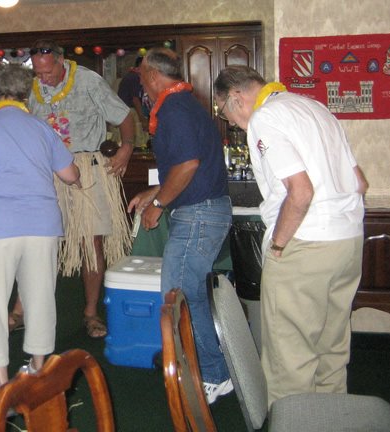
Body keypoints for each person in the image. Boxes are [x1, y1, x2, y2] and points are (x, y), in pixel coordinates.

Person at [213, 66, 369, 407]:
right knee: (331, 347)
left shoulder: (265, 117)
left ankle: (293, 421)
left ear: (235, 97)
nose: (231, 121)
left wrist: (279, 245)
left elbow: (301, 192)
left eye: (224, 112)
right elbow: (359, 182)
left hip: (305, 243)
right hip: (348, 240)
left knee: (289, 356)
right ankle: (330, 420)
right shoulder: (316, 108)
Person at [0, 63, 81, 409]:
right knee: (40, 300)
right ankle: (37, 373)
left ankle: (3, 387)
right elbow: (70, 175)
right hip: (42, 225)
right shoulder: (42, 127)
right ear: (26, 94)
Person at [127, 47, 233, 404]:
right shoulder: (183, 103)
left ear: (153, 76)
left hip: (199, 214)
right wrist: (153, 192)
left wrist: (158, 204)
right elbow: (185, 167)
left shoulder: (174, 108)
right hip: (202, 211)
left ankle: (214, 374)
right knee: (186, 294)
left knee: (180, 296)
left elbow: (187, 166)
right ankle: (210, 368)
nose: (140, 84)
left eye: (141, 77)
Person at [8, 39, 135, 339]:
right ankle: (20, 310)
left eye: (48, 72)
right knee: (38, 242)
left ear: (61, 61)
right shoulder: (31, 88)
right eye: (38, 72)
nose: (43, 78)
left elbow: (124, 116)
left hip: (87, 168)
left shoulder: (89, 81)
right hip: (46, 172)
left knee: (92, 243)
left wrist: (127, 148)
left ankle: (91, 313)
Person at [117, 56, 149, 149]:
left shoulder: (132, 76)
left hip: (128, 111)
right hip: (130, 111)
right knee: (138, 142)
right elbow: (135, 99)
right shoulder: (134, 77)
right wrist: (143, 119)